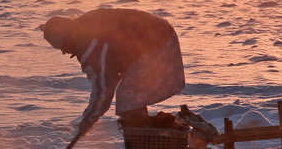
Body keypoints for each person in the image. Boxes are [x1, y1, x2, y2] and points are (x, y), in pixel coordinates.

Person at [41, 8, 185, 136]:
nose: (64, 52)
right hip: (160, 36)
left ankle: (141, 146)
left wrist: (88, 121)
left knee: (128, 97)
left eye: (64, 45)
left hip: (159, 43)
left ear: (70, 37)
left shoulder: (92, 46)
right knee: (130, 94)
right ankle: (140, 146)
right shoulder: (85, 28)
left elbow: (104, 89)